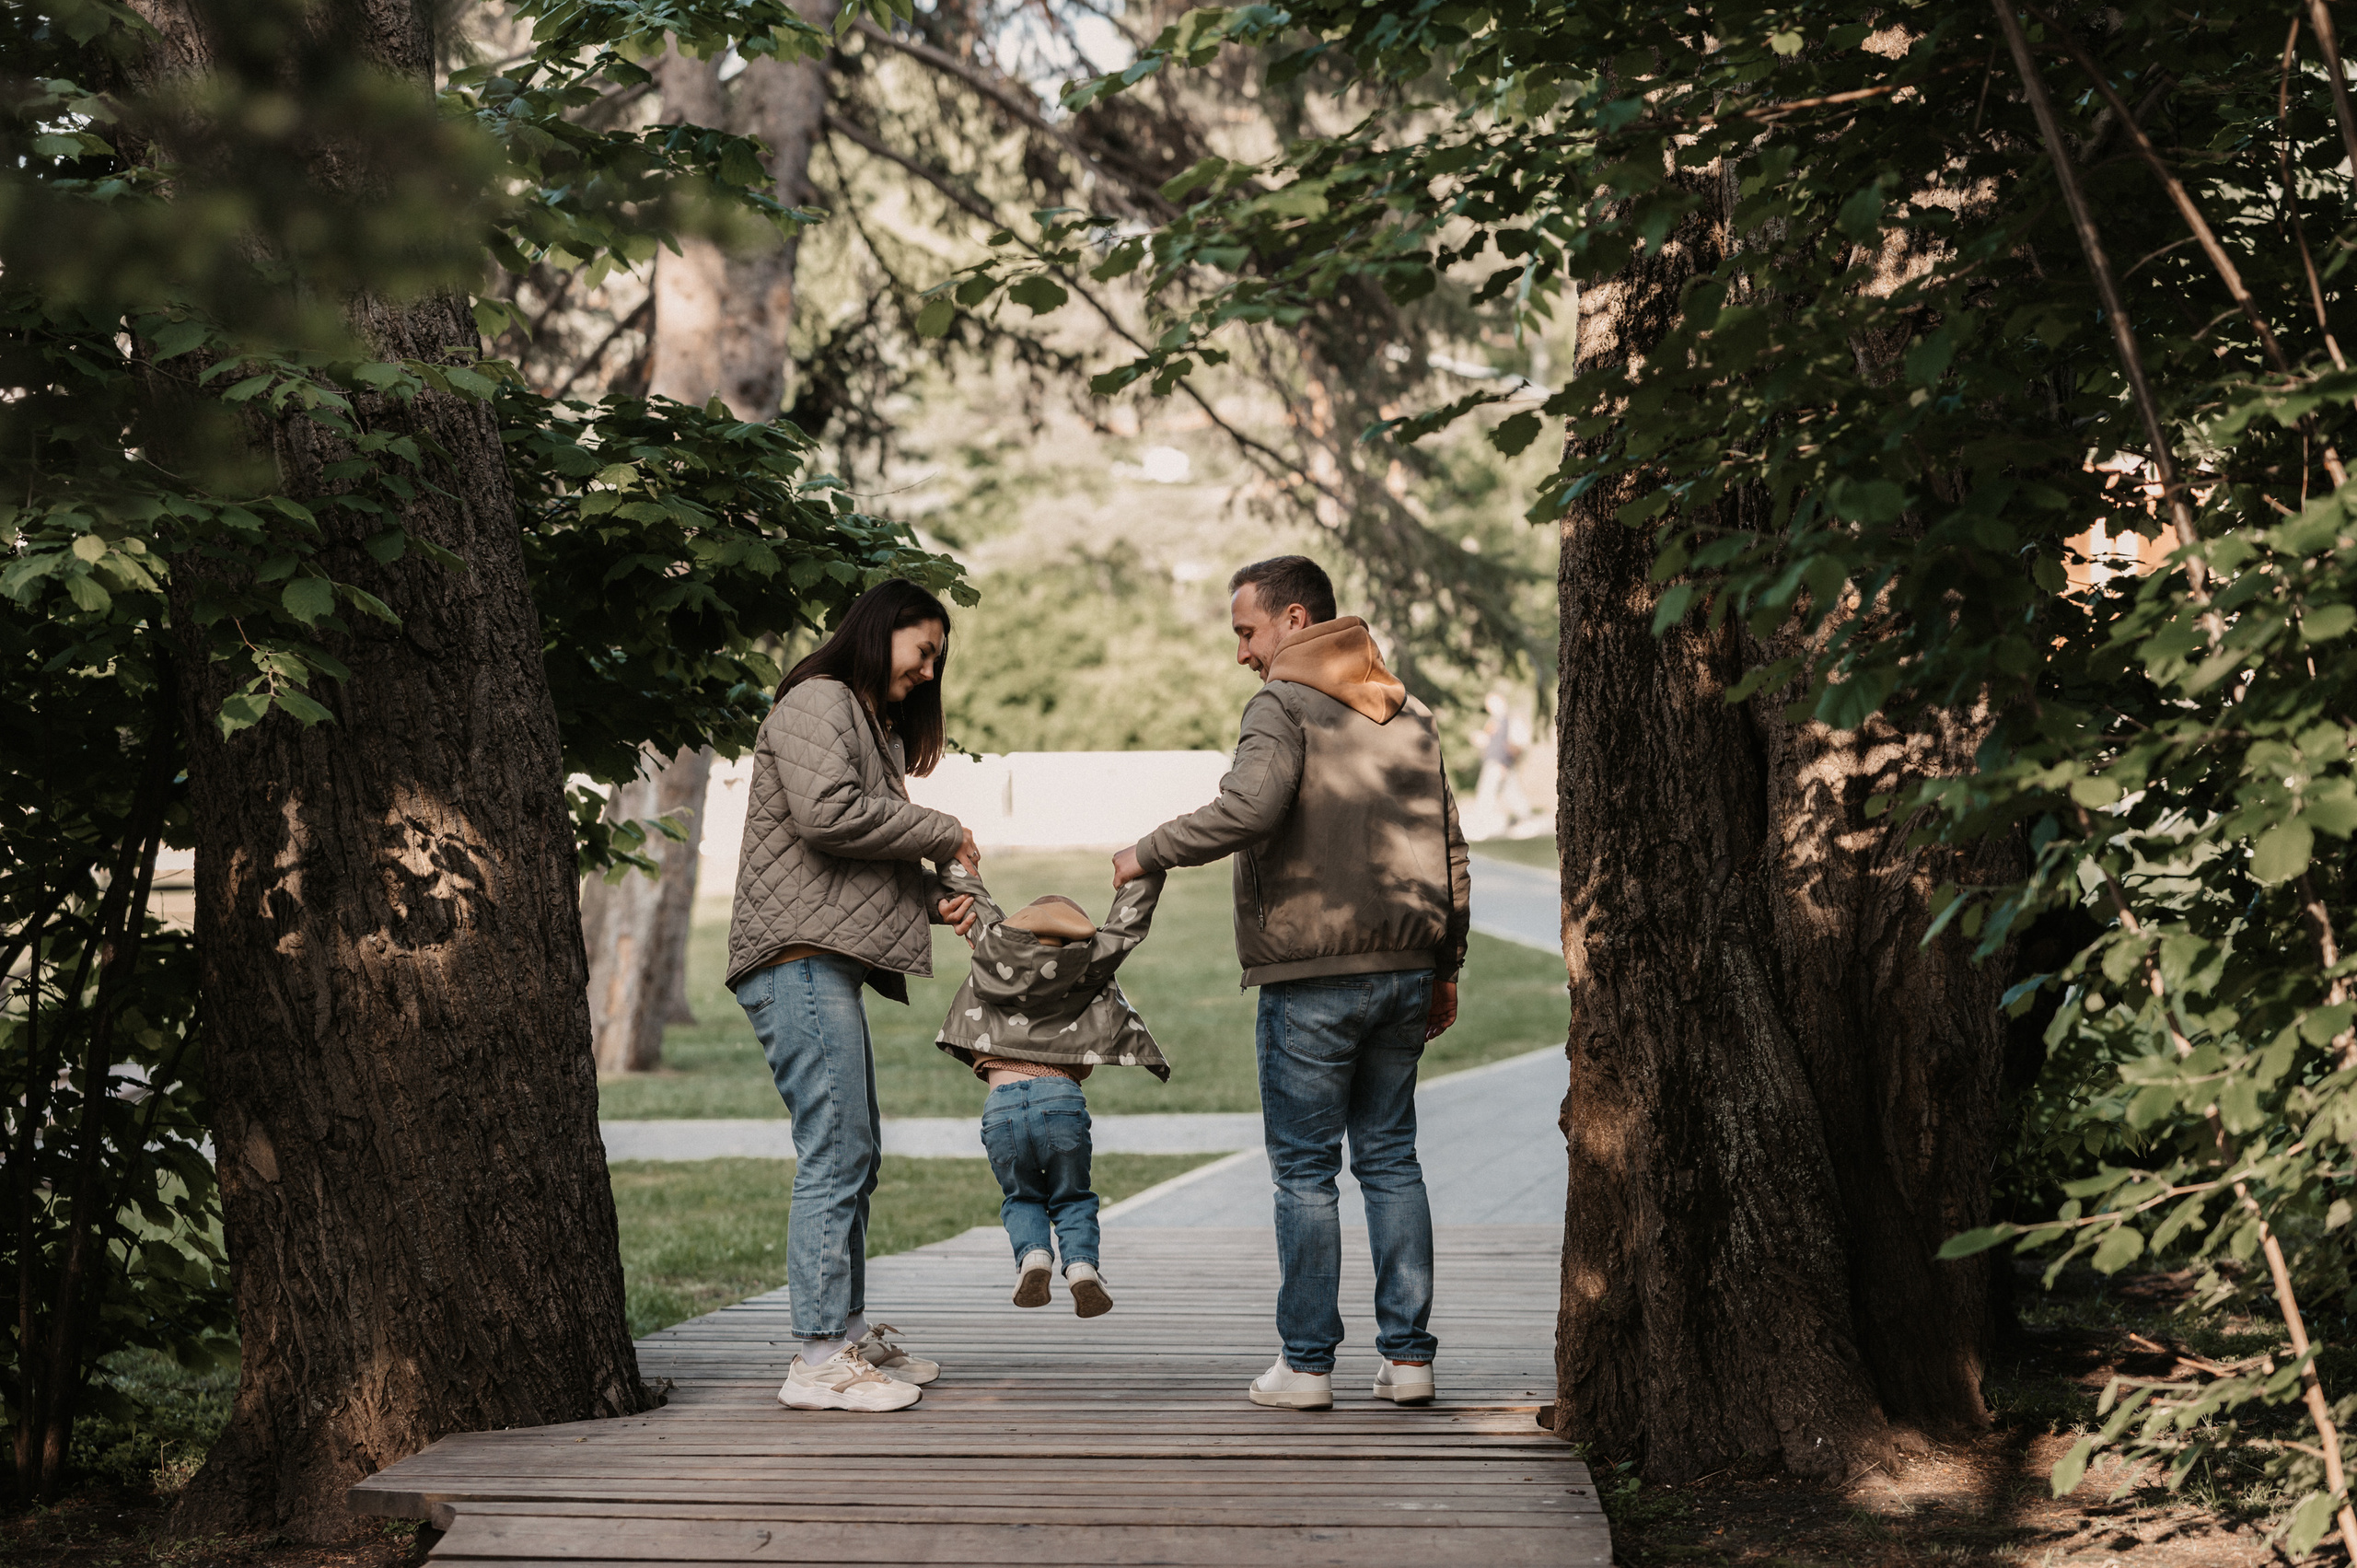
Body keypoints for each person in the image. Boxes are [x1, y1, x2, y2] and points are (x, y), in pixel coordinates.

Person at [1112, 555, 1469, 1411]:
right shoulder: (1408, 709)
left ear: (1296, 621)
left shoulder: (1281, 702)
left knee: (1305, 1173)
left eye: (1247, 631)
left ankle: (1307, 1366)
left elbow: (1251, 807)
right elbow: (1452, 846)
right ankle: (1409, 1358)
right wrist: (1445, 966)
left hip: (1312, 976)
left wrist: (1147, 849)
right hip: (1405, 970)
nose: (1243, 653)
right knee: (1390, 1159)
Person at [726, 579, 982, 1413]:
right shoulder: (819, 698)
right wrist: (942, 829)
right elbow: (829, 815)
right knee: (836, 1150)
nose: (929, 668)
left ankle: (845, 1331)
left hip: (819, 955)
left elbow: (851, 858)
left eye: (938, 656)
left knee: (855, 1149)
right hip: (794, 960)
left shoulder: (863, 721)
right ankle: (817, 1358)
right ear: (882, 631)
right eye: (924, 647)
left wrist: (929, 897)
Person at [931, 864, 1170, 1318]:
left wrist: (955, 856)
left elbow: (972, 896)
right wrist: (1149, 865)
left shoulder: (993, 949)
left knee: (1022, 1196)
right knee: (1073, 1195)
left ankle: (1033, 1257)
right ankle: (1082, 1267)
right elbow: (1128, 925)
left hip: (1000, 1106)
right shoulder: (1089, 961)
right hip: (1060, 1100)